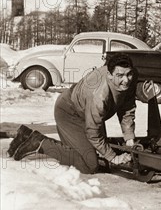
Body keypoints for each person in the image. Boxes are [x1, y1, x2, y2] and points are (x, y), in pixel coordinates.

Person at [8, 53, 138, 173]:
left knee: (99, 155)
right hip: (69, 113)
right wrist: (113, 157)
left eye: (129, 74)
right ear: (109, 75)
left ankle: (25, 134)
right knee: (89, 164)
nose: (126, 80)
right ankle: (40, 143)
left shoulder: (131, 76)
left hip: (86, 110)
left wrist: (129, 136)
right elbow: (93, 132)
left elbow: (127, 106)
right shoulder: (99, 95)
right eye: (120, 76)